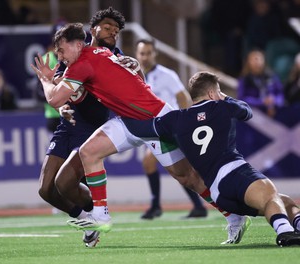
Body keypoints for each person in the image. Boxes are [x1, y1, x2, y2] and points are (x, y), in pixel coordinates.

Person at [32, 23, 251, 245]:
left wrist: (46, 81)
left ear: (78, 45)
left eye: (61, 50)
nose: (59, 56)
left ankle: (233, 216)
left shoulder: (82, 63)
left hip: (154, 120)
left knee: (188, 176)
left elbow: (54, 99)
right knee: (89, 151)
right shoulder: (97, 53)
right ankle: (101, 214)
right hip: (129, 121)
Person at [121, 71, 300, 247]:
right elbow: (247, 112)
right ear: (212, 93)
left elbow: (140, 129)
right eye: (218, 91)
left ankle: (294, 226)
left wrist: (120, 108)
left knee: (284, 203)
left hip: (218, 194)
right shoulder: (223, 107)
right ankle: (284, 233)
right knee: (270, 195)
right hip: (235, 174)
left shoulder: (176, 119)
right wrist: (225, 97)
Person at [35, 7, 125, 247]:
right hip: (68, 125)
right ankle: (89, 219)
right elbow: (59, 97)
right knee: (45, 190)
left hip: (91, 129)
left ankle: (98, 209)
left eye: (115, 31)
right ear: (92, 30)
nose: (112, 34)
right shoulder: (76, 57)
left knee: (64, 184)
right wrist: (60, 107)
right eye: (107, 28)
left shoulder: (114, 56)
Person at [135, 38, 207, 219]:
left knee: (165, 166)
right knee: (178, 170)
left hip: (169, 128)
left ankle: (156, 206)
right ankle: (197, 206)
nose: (145, 57)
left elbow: (183, 98)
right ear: (137, 55)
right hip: (153, 129)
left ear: (155, 54)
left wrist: (183, 124)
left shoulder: (167, 75)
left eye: (148, 53)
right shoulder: (136, 77)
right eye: (142, 53)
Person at [237, 49, 284, 118]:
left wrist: (274, 101)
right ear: (248, 62)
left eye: (259, 59)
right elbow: (241, 98)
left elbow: (280, 94)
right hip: (253, 114)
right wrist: (261, 102)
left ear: (264, 61)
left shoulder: (271, 76)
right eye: (254, 59)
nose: (257, 62)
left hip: (274, 111)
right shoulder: (244, 79)